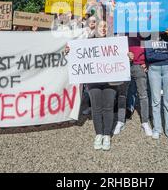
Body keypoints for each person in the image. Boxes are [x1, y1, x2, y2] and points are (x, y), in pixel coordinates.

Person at [65, 20, 122, 151]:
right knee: (96, 108)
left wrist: (127, 56)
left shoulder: (115, 43)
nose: (103, 28)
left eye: (105, 26)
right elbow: (76, 54)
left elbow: (121, 58)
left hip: (110, 81)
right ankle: (99, 134)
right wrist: (69, 51)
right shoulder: (87, 42)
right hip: (93, 81)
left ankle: (107, 135)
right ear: (95, 28)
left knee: (108, 108)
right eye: (100, 26)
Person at [114, 35, 152, 137]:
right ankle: (120, 121)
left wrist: (148, 62)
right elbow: (115, 47)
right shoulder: (122, 31)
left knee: (143, 95)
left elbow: (150, 47)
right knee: (122, 95)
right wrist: (124, 54)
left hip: (139, 65)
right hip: (124, 65)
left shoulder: (145, 32)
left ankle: (145, 122)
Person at [145, 29, 168, 141]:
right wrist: (166, 57)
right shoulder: (148, 37)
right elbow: (149, 56)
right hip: (154, 69)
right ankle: (157, 129)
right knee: (156, 101)